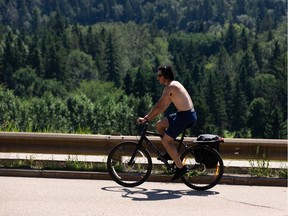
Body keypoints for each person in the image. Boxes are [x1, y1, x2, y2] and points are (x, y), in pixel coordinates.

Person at [137, 65, 197, 181]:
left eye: (159, 76)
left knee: (166, 140)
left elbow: (159, 105)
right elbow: (163, 107)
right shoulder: (171, 86)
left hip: (186, 116)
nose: (157, 78)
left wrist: (146, 118)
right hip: (183, 114)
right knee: (159, 125)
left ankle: (181, 168)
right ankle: (170, 153)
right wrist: (148, 118)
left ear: (166, 76)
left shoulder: (171, 87)